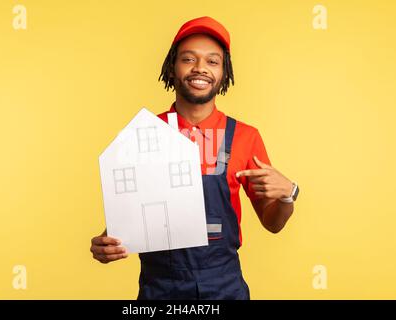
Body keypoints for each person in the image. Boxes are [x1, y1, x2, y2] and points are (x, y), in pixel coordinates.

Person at [90, 16, 299, 300]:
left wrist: (289, 194)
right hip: (160, 290)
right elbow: (131, 218)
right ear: (172, 67)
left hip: (225, 287)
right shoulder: (145, 133)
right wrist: (108, 243)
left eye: (213, 61)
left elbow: (273, 223)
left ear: (224, 73)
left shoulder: (245, 137)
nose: (200, 68)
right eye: (189, 59)